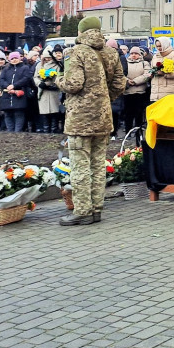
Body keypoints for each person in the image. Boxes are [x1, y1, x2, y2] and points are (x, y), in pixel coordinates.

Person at [55, 16, 126, 226]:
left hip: (80, 118)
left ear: (80, 32)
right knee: (98, 164)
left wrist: (56, 79)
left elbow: (74, 84)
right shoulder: (111, 52)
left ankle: (82, 211)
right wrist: (104, 98)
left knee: (80, 166)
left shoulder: (76, 52)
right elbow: (120, 84)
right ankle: (96, 209)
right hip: (103, 116)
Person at [0, 51, 33, 132]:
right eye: (12, 58)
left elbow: (26, 78)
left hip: (19, 95)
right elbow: (1, 80)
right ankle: (10, 131)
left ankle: (17, 132)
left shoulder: (25, 68)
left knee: (19, 114)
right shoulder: (6, 69)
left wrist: (14, 85)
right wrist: (7, 86)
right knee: (8, 114)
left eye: (16, 58)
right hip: (7, 95)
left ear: (20, 58)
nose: (14, 60)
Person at [121, 46, 151, 139]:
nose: (134, 55)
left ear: (139, 55)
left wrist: (135, 81)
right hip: (127, 92)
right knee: (128, 114)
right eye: (132, 53)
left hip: (140, 92)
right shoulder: (124, 62)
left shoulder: (144, 63)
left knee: (139, 114)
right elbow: (120, 74)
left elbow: (147, 74)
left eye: (136, 54)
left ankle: (139, 133)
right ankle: (128, 132)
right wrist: (127, 81)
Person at [34, 48, 63, 133]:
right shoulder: (39, 65)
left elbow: (59, 77)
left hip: (53, 91)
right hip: (43, 92)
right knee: (44, 112)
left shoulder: (57, 65)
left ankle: (54, 129)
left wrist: (50, 84)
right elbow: (35, 76)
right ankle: (46, 129)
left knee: (54, 111)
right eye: (45, 58)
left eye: (49, 58)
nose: (47, 60)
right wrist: (39, 83)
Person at [149, 37, 174, 103]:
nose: (159, 48)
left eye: (160, 46)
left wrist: (165, 74)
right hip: (155, 91)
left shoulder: (173, 55)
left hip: (169, 89)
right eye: (157, 46)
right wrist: (151, 74)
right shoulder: (155, 56)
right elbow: (152, 68)